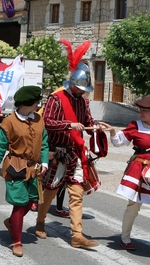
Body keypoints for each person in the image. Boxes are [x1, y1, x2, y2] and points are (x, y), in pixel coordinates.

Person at [36, 39, 99, 249]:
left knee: (76, 193)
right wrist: (69, 124)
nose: (82, 92)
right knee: (50, 191)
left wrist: (96, 126)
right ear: (72, 84)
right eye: (80, 88)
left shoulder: (83, 101)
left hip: (75, 153)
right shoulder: (56, 99)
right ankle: (40, 221)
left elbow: (87, 122)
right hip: (59, 151)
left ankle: (77, 234)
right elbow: (47, 122)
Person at [99, 96, 150, 262]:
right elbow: (119, 142)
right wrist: (113, 131)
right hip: (139, 171)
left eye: (145, 110)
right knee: (133, 208)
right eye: (140, 110)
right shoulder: (136, 125)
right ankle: (125, 238)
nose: (141, 113)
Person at [0, 86, 48, 257]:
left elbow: (43, 143)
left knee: (31, 201)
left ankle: (11, 222)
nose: (38, 105)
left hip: (34, 168)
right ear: (29, 103)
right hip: (16, 167)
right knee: (20, 204)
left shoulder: (38, 119)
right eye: (37, 102)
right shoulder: (9, 122)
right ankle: (17, 242)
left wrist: (44, 162)